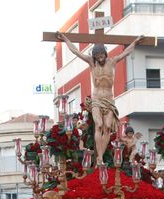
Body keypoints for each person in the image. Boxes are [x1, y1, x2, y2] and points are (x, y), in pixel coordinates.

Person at [56, 32, 143, 164]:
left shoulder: (112, 62)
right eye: (97, 56)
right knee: (99, 125)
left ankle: (100, 156)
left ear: (105, 54)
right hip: (96, 99)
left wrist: (135, 42)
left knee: (107, 127)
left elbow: (126, 52)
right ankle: (100, 158)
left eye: (101, 55)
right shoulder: (92, 63)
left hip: (109, 100)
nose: (99, 58)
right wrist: (65, 39)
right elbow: (76, 51)